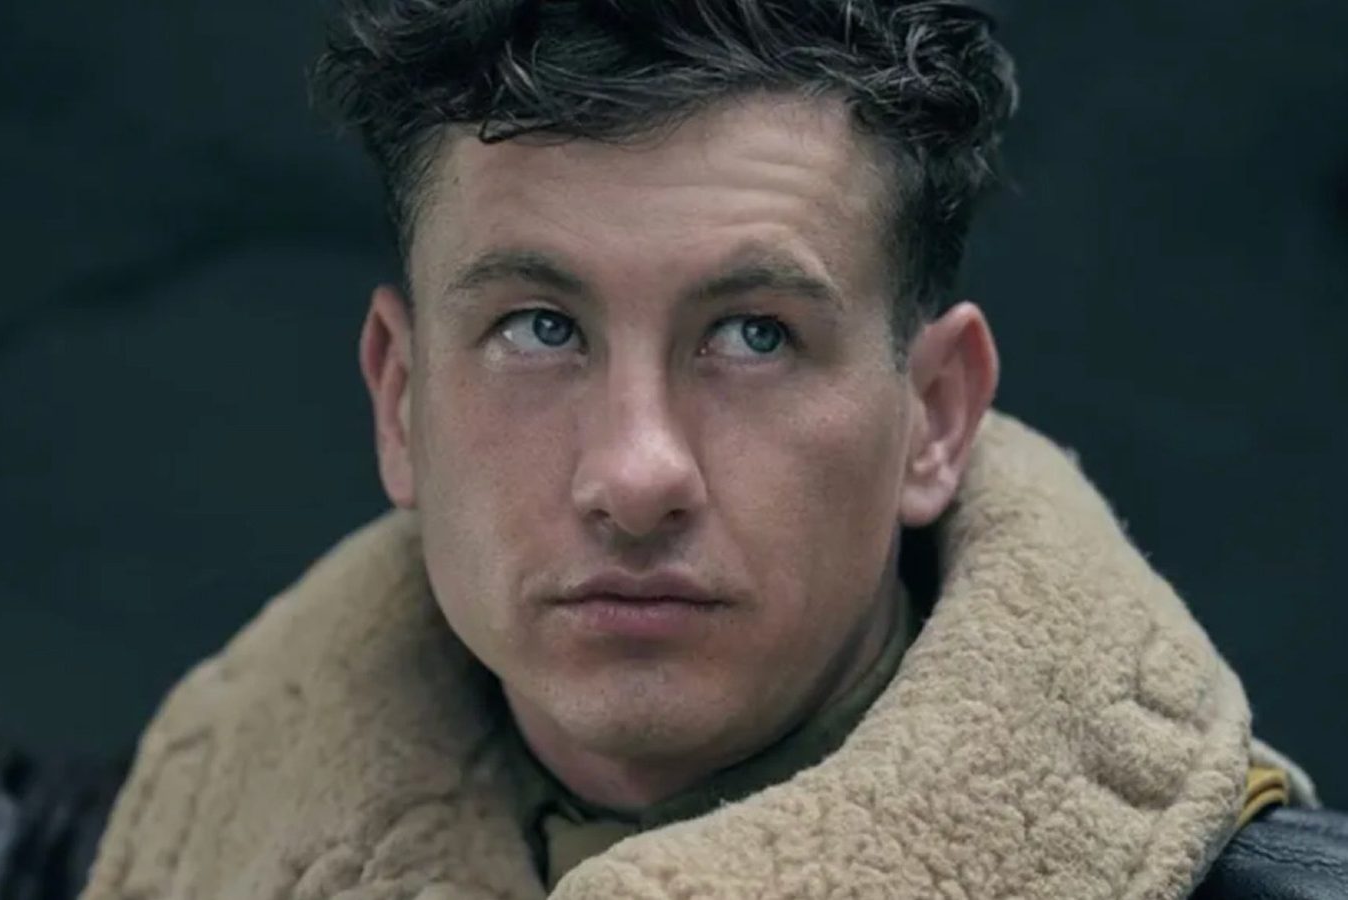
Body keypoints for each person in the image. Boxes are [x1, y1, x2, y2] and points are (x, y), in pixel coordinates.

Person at [74, 2, 1346, 898]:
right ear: (399, 402)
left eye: (754, 335)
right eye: (538, 328)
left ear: (935, 416)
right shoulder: (124, 851)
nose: (636, 477)